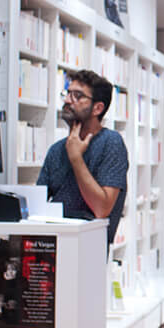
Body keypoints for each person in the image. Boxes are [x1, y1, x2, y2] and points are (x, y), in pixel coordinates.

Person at [37, 69, 128, 245]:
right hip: (50, 244)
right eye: (67, 93)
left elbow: (101, 209)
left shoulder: (111, 143)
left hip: (88, 248)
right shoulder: (56, 150)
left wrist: (76, 158)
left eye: (77, 96)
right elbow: (38, 204)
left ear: (98, 108)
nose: (67, 100)